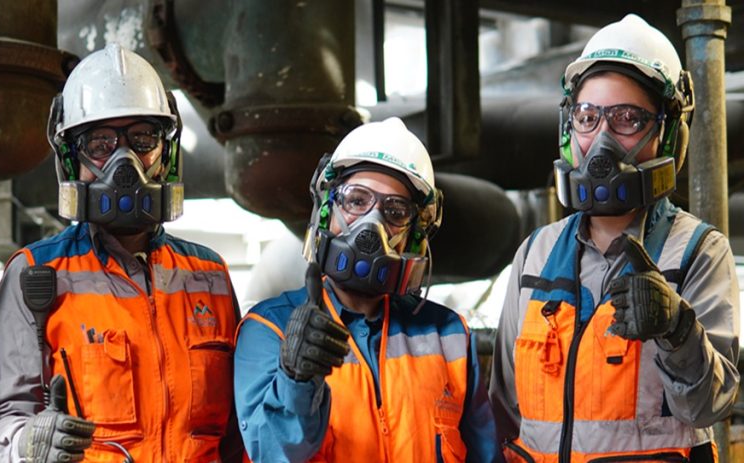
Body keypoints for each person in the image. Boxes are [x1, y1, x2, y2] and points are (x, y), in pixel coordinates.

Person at [489, 14, 739, 462]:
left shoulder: (699, 251)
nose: (601, 140)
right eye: (587, 117)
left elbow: (707, 408)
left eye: (627, 118)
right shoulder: (534, 254)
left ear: (667, 134)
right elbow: (506, 411)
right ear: (569, 128)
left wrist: (676, 330)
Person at [0, 43, 243, 463]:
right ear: (72, 160)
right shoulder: (34, 275)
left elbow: (236, 434)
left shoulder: (209, 276)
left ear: (164, 154)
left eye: (142, 139)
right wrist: (28, 443)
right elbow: (2, 416)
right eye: (101, 144)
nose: (124, 164)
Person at [234, 117, 501, 462]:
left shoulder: (447, 334)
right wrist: (296, 378)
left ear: (415, 235)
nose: (370, 226)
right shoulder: (269, 329)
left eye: (394, 211)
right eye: (356, 201)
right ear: (327, 210)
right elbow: (269, 451)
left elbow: (485, 455)